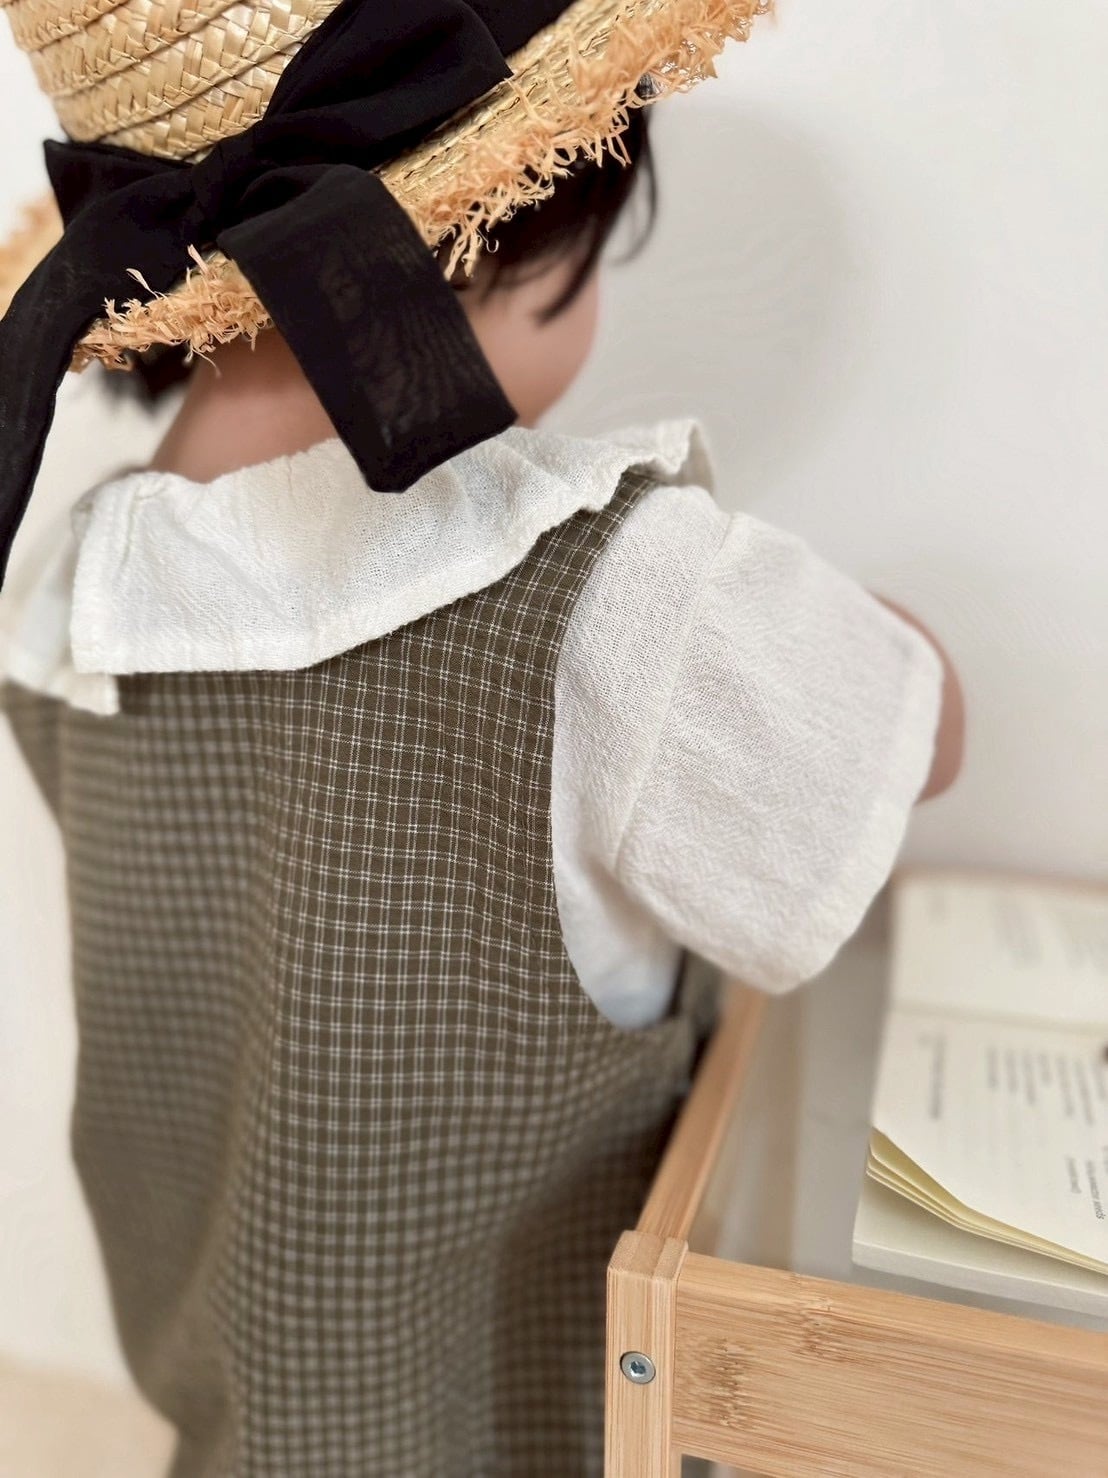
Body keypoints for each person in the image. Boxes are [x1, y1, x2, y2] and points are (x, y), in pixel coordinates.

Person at [0, 1, 964, 1473]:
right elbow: (901, 743)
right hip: (524, 1434)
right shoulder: (612, 597)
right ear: (493, 236)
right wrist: (902, 644)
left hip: (229, 1420)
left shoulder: (74, 598)